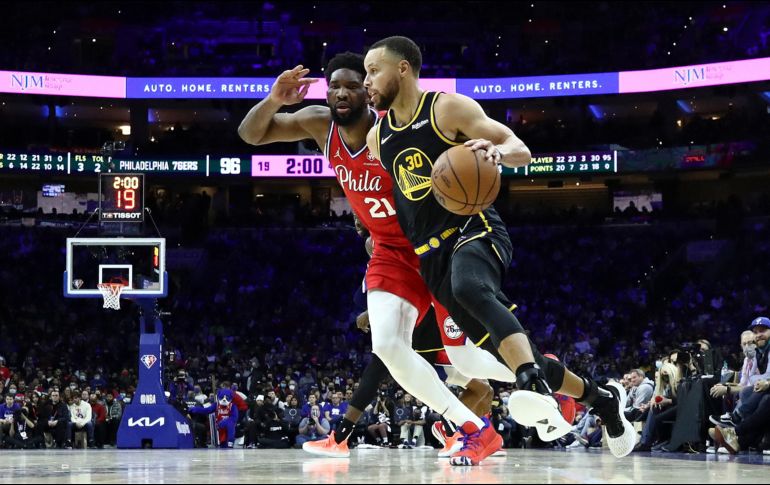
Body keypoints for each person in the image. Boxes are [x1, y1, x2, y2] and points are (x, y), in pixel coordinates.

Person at [363, 35, 635, 461]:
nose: (367, 81)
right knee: (485, 358)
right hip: (429, 257)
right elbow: (406, 203)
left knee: (472, 289)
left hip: (475, 227)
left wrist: (497, 151)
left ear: (403, 69)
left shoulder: (447, 108)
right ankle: (600, 399)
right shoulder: (380, 137)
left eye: (373, 70)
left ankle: (529, 379)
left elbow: (519, 150)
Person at [239, 52, 518, 466]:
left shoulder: (389, 132)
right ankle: (473, 428)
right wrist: (275, 98)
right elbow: (251, 134)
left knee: (467, 358)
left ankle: (542, 373)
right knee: (387, 345)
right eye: (335, 86)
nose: (342, 92)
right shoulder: (320, 123)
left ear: (369, 94)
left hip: (429, 245)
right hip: (389, 251)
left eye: (353, 84)